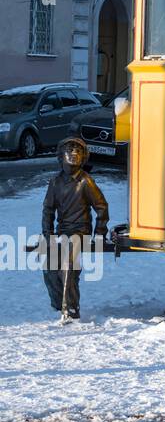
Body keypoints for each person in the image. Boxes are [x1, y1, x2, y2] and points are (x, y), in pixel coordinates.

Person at [41, 136, 109, 320]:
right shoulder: (55, 182)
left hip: (80, 232)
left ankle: (70, 310)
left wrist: (100, 234)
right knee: (49, 266)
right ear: (61, 156)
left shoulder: (85, 181)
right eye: (69, 150)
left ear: (83, 157)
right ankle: (58, 304)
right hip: (63, 231)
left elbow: (101, 207)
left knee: (68, 266)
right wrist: (48, 235)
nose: (74, 154)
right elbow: (48, 210)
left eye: (78, 151)